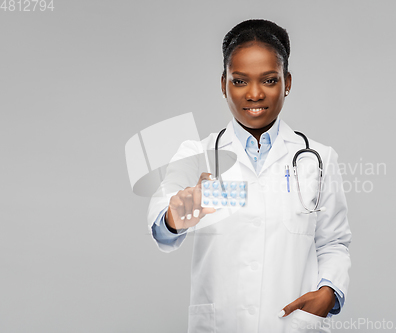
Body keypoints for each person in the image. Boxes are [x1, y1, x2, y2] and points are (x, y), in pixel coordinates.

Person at [148, 19, 352, 333]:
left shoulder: (318, 159)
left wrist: (328, 293)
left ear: (287, 82)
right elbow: (162, 230)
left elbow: (333, 243)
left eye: (269, 80)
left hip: (290, 323)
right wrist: (180, 213)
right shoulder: (196, 154)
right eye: (240, 81)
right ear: (223, 84)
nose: (254, 94)